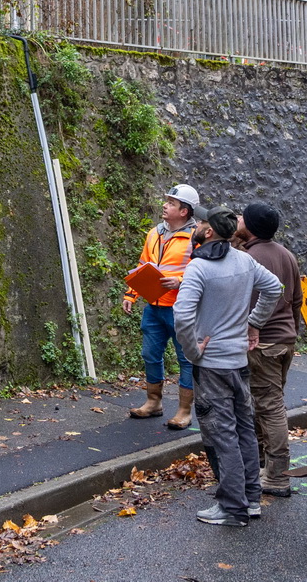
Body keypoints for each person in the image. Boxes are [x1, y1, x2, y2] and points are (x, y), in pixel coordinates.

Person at [175, 206, 283, 527]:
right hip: (238, 362)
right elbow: (275, 288)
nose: (197, 224)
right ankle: (250, 500)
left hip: (211, 366)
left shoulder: (199, 268)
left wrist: (193, 350)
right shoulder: (244, 260)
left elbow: (182, 316)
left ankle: (232, 507)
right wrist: (254, 324)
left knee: (222, 435)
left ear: (208, 232)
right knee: (245, 431)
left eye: (202, 222)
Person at [236, 203, 303, 498]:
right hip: (284, 341)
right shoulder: (286, 255)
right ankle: (261, 462)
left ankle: (276, 476)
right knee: (266, 403)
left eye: (241, 216)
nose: (237, 219)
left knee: (270, 406)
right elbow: (298, 300)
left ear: (249, 226)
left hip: (261, 343)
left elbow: (240, 305)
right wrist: (292, 335)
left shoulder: (249, 259)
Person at [123, 183, 200, 429]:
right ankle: (153, 402)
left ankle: (184, 411)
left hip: (183, 309)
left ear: (184, 211)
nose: (165, 206)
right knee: (150, 354)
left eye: (171, 203)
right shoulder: (154, 233)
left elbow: (204, 272)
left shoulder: (196, 237)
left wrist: (178, 281)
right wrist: (131, 294)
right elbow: (143, 265)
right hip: (154, 307)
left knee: (186, 359)